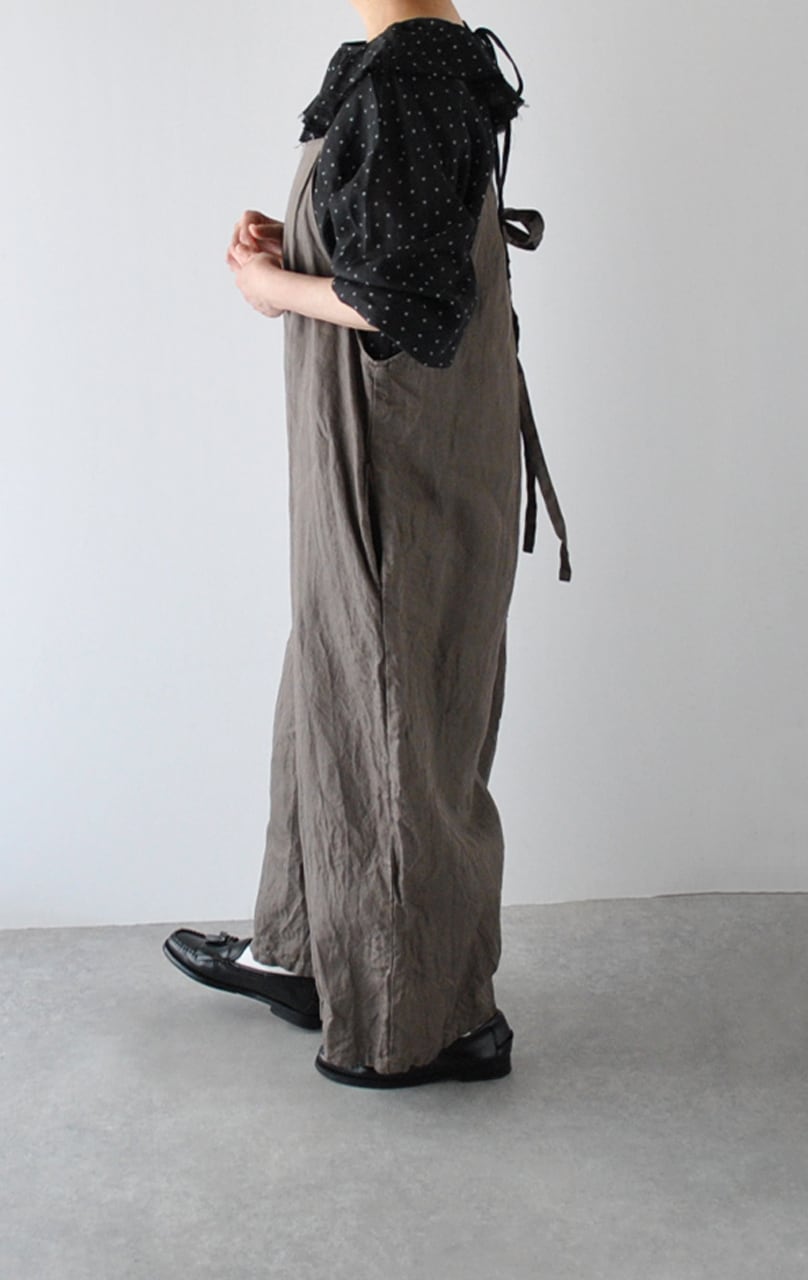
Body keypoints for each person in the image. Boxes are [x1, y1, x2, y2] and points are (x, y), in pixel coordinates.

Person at [163, 0, 571, 1088]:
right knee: (336, 686)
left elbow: (410, 307)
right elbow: (395, 252)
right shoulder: (415, 64)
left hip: (394, 460)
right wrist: (300, 245)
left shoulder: (410, 78)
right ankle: (304, 952)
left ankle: (416, 1019)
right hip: (396, 445)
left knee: (387, 717)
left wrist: (269, 287)